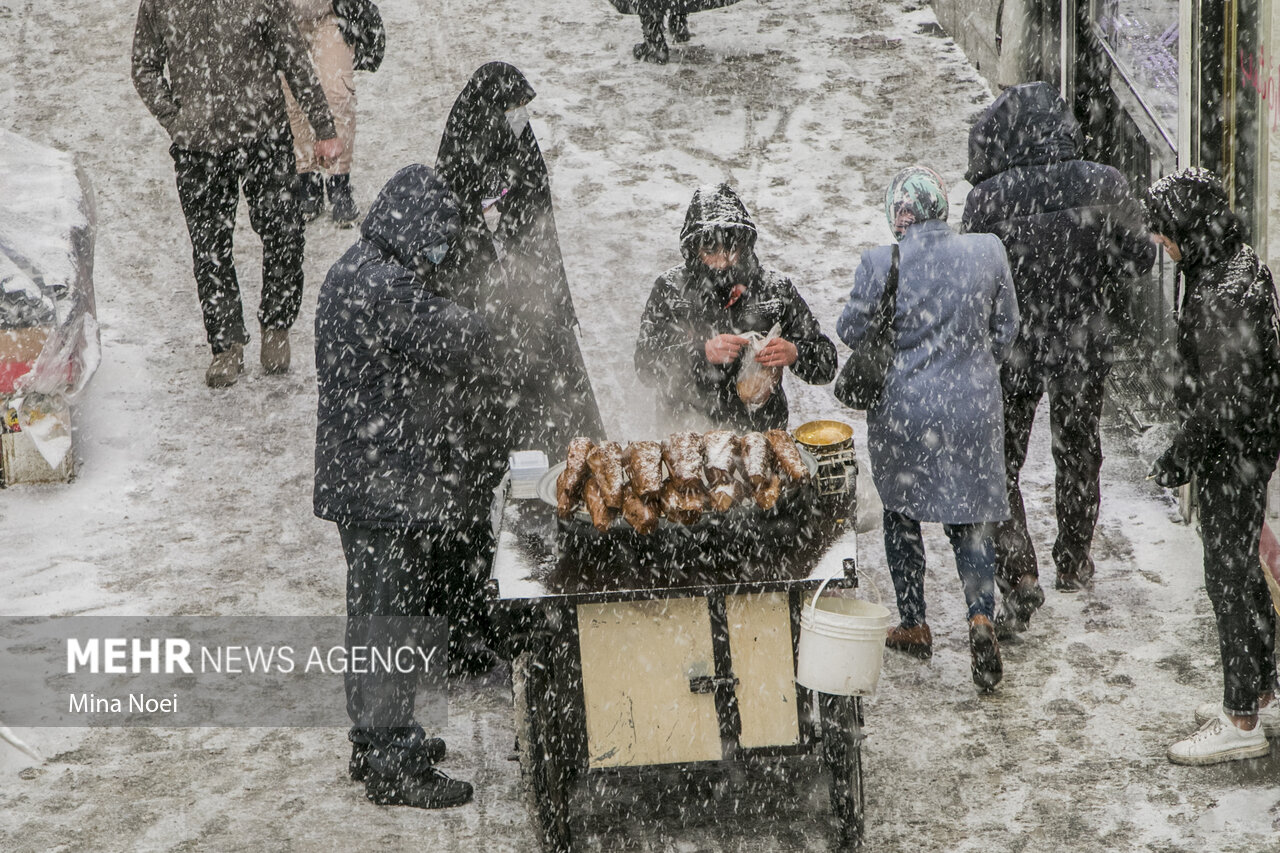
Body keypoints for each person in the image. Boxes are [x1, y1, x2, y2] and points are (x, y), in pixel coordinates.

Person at [313, 164, 509, 807]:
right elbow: (458, 337)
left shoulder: (353, 269)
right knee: (387, 623)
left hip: (368, 475)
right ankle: (392, 762)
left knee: (377, 619)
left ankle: (379, 741)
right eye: (437, 237)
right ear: (413, 226)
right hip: (381, 482)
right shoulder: (386, 286)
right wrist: (503, 319)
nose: (439, 250)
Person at [962, 82, 1155, 633]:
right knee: (1078, 449)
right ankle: (1073, 559)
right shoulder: (1106, 182)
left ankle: (1020, 573)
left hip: (1015, 347)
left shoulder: (988, 199)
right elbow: (1139, 256)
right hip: (1082, 342)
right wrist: (1094, 288)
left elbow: (973, 279)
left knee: (1001, 462)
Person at [838, 167, 1018, 691]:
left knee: (902, 510)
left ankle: (914, 622)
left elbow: (850, 330)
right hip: (973, 410)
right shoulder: (987, 251)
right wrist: (976, 369)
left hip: (905, 410)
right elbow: (1007, 328)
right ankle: (980, 615)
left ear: (899, 214)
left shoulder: (880, 261)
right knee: (973, 517)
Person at [1143, 168, 1280, 765]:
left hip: (1236, 453)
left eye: (1164, 233)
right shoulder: (1235, 264)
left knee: (1227, 577)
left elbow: (1226, 399)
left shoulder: (1221, 292)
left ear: (1188, 229)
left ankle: (1240, 717)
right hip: (1251, 447)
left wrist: (1181, 453)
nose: (1160, 244)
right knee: (1243, 568)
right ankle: (1261, 690)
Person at [131, 0, 342, 388]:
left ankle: (277, 326)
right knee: (210, 247)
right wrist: (175, 119)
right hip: (198, 146)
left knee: (284, 230)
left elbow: (294, 57)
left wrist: (324, 128)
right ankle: (225, 346)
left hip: (264, 132)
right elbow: (143, 66)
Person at [435, 62, 605, 459]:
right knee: (497, 406)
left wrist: (526, 265)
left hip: (533, 297)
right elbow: (456, 236)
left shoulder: (521, 145)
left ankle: (571, 461)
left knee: (560, 396)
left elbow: (536, 208)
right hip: (484, 306)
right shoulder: (460, 154)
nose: (519, 115)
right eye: (512, 106)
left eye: (523, 106)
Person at [634, 182, 836, 432]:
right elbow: (645, 365)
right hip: (686, 436)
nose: (722, 260)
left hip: (760, 435)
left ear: (744, 244)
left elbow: (827, 362)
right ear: (694, 249)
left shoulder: (774, 289)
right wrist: (701, 353)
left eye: (731, 247)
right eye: (710, 249)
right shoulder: (670, 290)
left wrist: (795, 353)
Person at [282, 0, 360, 226]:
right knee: (292, 101)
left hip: (330, 12)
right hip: (281, 16)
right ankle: (307, 177)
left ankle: (339, 181)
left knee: (338, 94)